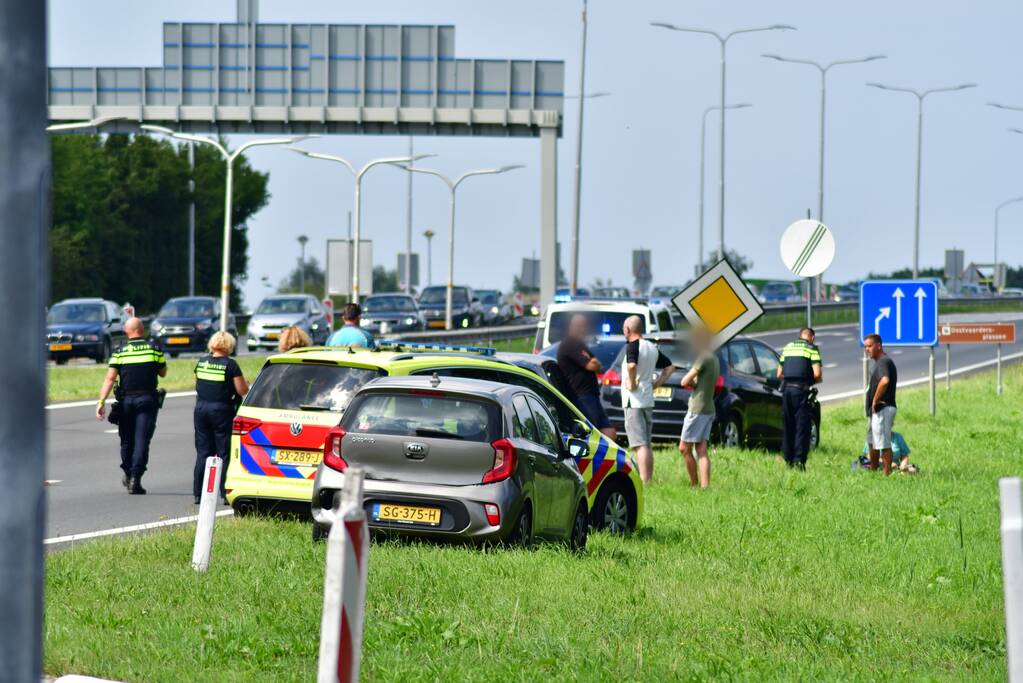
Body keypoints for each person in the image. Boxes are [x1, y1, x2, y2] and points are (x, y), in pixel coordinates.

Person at [95, 317, 167, 494]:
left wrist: (101, 402)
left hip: (126, 402)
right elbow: (163, 373)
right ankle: (136, 478)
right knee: (142, 440)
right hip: (147, 400)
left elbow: (110, 378)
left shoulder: (120, 352)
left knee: (127, 440)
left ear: (126, 332)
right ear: (142, 330)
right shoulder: (154, 349)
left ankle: (128, 473)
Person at [193, 331, 249, 504]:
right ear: (229, 346)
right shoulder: (230, 365)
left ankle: (198, 493)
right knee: (224, 453)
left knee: (203, 452)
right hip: (222, 411)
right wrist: (245, 383)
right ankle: (225, 493)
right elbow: (242, 390)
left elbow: (198, 385)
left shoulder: (202, 362)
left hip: (201, 409)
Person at [620, 315, 675, 484]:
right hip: (647, 399)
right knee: (646, 443)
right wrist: (656, 384)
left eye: (624, 329)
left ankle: (644, 481)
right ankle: (648, 479)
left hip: (634, 400)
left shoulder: (632, 346)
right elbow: (669, 367)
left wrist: (632, 382)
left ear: (628, 329)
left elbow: (631, 365)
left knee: (639, 444)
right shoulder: (651, 347)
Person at [556, 313, 616, 440]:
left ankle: (604, 452)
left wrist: (595, 363)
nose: (583, 329)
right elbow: (591, 365)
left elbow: (597, 365)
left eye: (584, 326)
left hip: (592, 395)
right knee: (591, 434)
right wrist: (594, 363)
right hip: (582, 396)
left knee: (609, 432)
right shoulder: (570, 343)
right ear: (572, 326)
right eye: (580, 326)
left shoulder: (580, 344)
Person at [678, 325, 719, 489]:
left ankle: (694, 484)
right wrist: (694, 383)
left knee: (684, 448)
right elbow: (703, 382)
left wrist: (690, 382)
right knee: (701, 449)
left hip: (697, 409)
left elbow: (684, 381)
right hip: (709, 407)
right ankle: (705, 487)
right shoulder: (714, 358)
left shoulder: (703, 357)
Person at [777, 326, 823, 470]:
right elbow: (817, 374)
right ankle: (799, 462)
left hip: (786, 392)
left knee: (788, 426)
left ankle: (788, 460)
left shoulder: (787, 347)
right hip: (801, 392)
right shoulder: (812, 348)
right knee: (802, 427)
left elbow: (779, 374)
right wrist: (810, 381)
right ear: (812, 337)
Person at [864, 333, 898, 475]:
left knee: (883, 444)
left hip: (883, 408)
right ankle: (873, 472)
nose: (867, 349)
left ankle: (886, 475)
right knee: (872, 442)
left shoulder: (883, 361)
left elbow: (885, 381)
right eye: (865, 347)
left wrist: (875, 400)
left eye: (869, 346)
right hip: (877, 410)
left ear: (878, 346)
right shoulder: (878, 362)